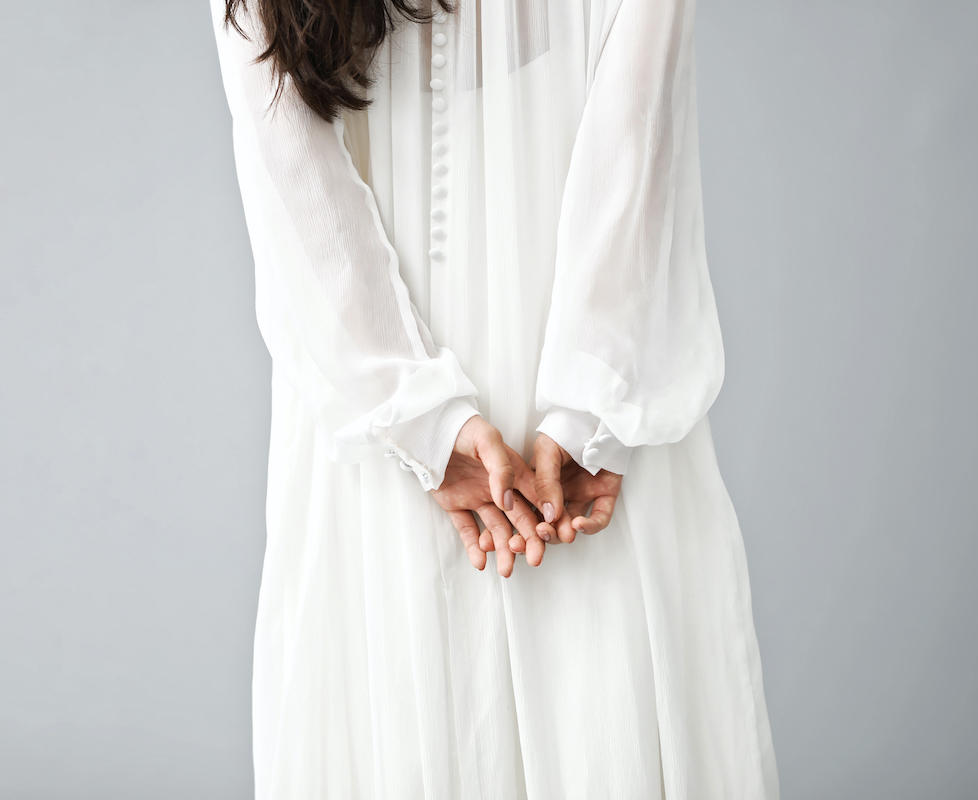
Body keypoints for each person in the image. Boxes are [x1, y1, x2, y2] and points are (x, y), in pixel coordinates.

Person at [210, 0, 779, 796]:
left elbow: (294, 185)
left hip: (379, 409)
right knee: (605, 711)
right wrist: (587, 409)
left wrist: (425, 420)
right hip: (565, 420)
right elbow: (637, 137)